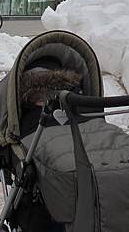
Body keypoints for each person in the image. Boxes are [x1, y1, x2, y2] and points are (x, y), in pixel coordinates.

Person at [14, 57, 81, 232]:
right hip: (50, 177)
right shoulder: (27, 119)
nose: (44, 100)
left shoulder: (74, 114)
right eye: (40, 97)